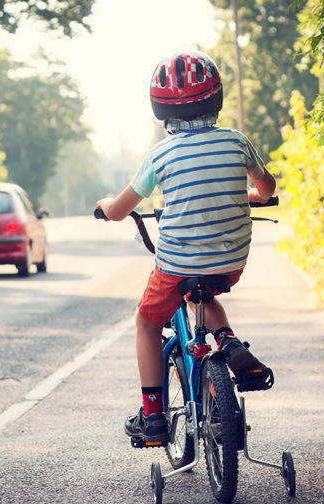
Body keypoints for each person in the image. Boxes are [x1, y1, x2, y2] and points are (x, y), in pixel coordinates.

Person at [95, 50, 277, 445]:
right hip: (230, 262)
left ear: (159, 108)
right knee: (204, 290)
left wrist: (106, 206)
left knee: (146, 322)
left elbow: (120, 209)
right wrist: (253, 196)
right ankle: (227, 340)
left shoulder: (160, 155)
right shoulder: (237, 142)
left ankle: (154, 416)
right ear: (217, 97)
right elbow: (268, 188)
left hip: (177, 264)